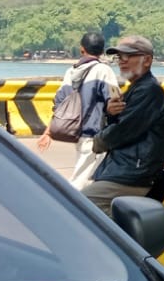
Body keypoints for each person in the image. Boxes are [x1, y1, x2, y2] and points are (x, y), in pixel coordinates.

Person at [81, 35, 164, 215]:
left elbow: (120, 132)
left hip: (132, 174)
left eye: (128, 56)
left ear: (147, 60)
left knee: (80, 205)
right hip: (123, 171)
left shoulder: (148, 91)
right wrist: (110, 113)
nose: (122, 61)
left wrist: (98, 141)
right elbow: (122, 128)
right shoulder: (136, 89)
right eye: (119, 57)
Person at [36, 32, 119, 185]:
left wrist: (48, 132)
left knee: (88, 180)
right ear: (102, 51)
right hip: (95, 136)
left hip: (77, 134)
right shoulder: (104, 70)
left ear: (82, 49)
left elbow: (59, 104)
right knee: (82, 183)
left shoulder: (71, 72)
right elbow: (115, 101)